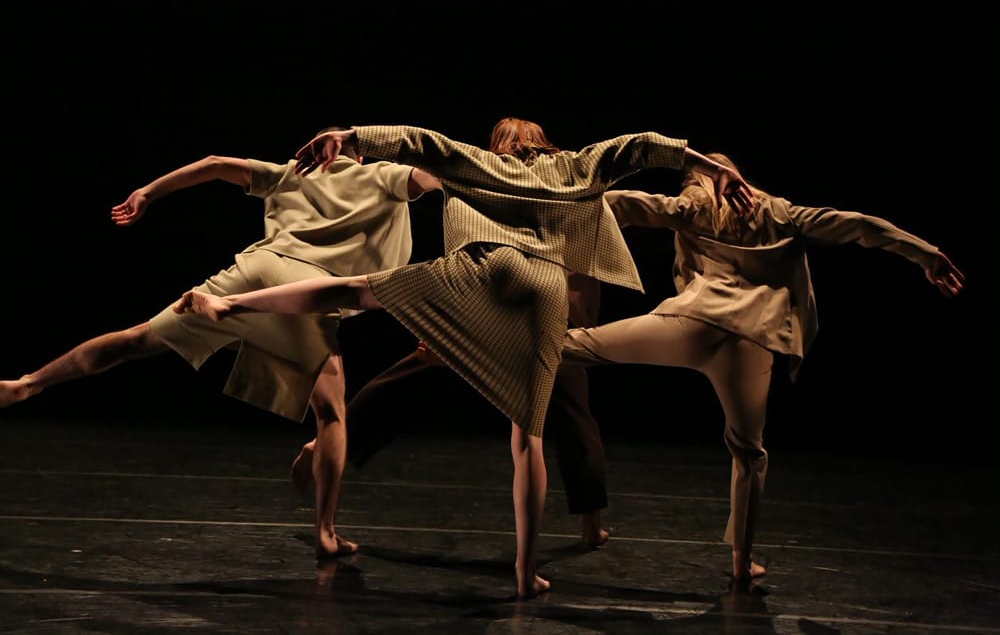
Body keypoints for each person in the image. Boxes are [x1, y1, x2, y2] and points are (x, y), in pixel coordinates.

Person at [174, 117, 756, 599]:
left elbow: (417, 140)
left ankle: (231, 305)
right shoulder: (577, 166)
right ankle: (527, 573)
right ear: (544, 143)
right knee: (526, 438)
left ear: (502, 144)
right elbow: (639, 147)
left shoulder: (480, 162)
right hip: (543, 292)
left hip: (482, 274)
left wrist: (348, 138)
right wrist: (708, 165)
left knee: (359, 290)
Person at [0, 128, 444, 561]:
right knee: (332, 415)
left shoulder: (291, 173)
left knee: (135, 340)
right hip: (305, 294)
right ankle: (325, 533)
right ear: (356, 153)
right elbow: (437, 175)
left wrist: (147, 192)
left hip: (252, 275)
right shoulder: (381, 175)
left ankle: (28, 383)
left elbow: (214, 166)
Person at [557, 153, 966, 585]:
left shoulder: (689, 207)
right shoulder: (780, 213)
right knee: (749, 452)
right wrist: (927, 255)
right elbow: (860, 225)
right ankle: (741, 561)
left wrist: (553, 207)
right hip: (750, 342)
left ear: (701, 179)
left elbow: (620, 202)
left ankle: (496, 340)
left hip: (691, 324)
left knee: (577, 345)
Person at [291, 270, 612, 547]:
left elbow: (580, 302)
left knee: (575, 417)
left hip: (544, 329)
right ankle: (326, 446)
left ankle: (591, 520)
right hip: (508, 316)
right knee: (410, 379)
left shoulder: (582, 227)